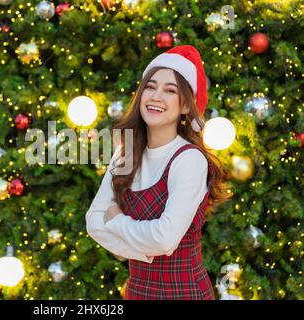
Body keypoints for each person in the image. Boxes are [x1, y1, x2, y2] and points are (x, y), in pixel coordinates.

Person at [85, 45, 232, 300]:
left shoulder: (188, 159)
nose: (155, 96)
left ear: (185, 105)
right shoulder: (125, 153)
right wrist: (144, 248)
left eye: (170, 90)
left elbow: (164, 239)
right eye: (150, 87)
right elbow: (94, 221)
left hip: (183, 293)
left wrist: (117, 221)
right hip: (137, 292)